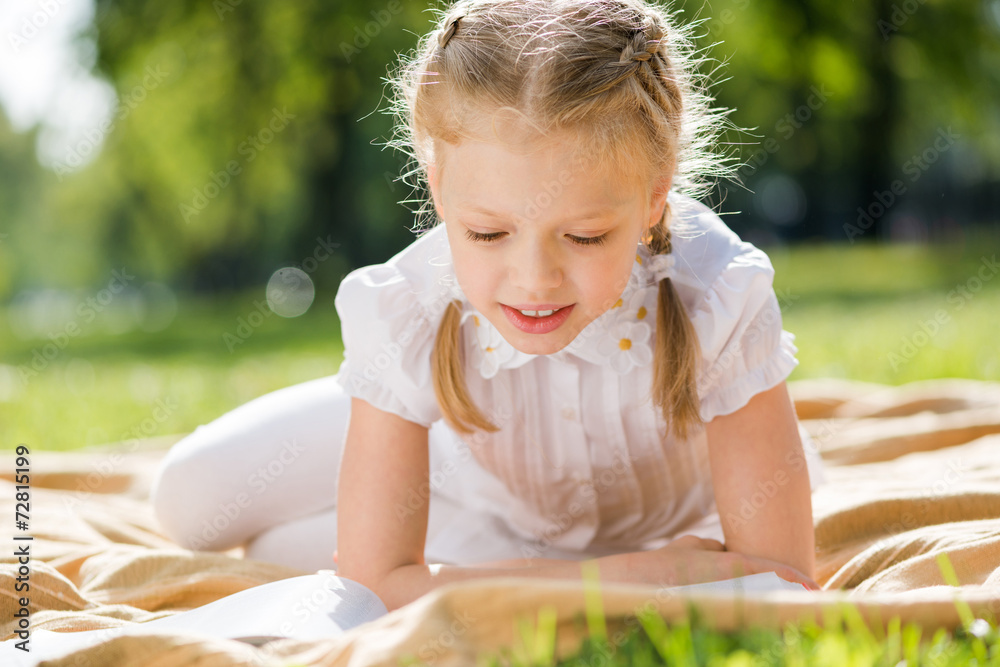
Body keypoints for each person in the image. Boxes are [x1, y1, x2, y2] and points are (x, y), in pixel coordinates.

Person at [150, 0, 829, 612]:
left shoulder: (716, 292)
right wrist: (639, 577)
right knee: (192, 501)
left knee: (287, 547)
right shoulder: (410, 305)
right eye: (487, 233)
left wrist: (632, 566)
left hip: (543, 531)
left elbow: (780, 576)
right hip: (464, 477)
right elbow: (376, 579)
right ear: (438, 187)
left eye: (585, 235)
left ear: (656, 195)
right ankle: (382, 425)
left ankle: (516, 560)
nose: (534, 280)